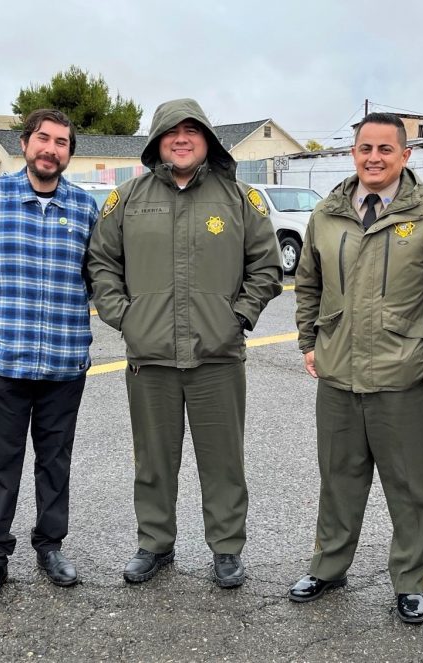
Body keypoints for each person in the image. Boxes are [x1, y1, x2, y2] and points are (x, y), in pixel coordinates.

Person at [87, 98, 282, 588]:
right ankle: (155, 543)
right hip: (149, 357)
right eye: (171, 131)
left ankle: (226, 548)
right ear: (157, 141)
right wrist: (125, 318)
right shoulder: (127, 199)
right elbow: (102, 263)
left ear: (207, 140)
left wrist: (239, 317)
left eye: (191, 131)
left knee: (224, 461)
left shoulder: (239, 198)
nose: (181, 139)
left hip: (218, 356)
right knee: (153, 460)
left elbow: (266, 266)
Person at [289, 112, 423, 624]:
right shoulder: (327, 214)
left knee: (408, 487)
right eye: (365, 148)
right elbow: (308, 283)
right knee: (338, 479)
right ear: (353, 153)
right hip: (337, 373)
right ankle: (328, 566)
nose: (374, 157)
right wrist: (308, 341)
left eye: (386, 149)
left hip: (400, 375)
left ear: (405, 155)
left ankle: (409, 581)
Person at [0, 108, 99, 608]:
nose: (51, 149)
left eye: (62, 142)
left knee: (55, 462)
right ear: (25, 143)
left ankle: (49, 547)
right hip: (4, 361)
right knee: (4, 462)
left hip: (64, 361)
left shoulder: (84, 208)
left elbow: (95, 278)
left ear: (69, 153)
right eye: (43, 138)